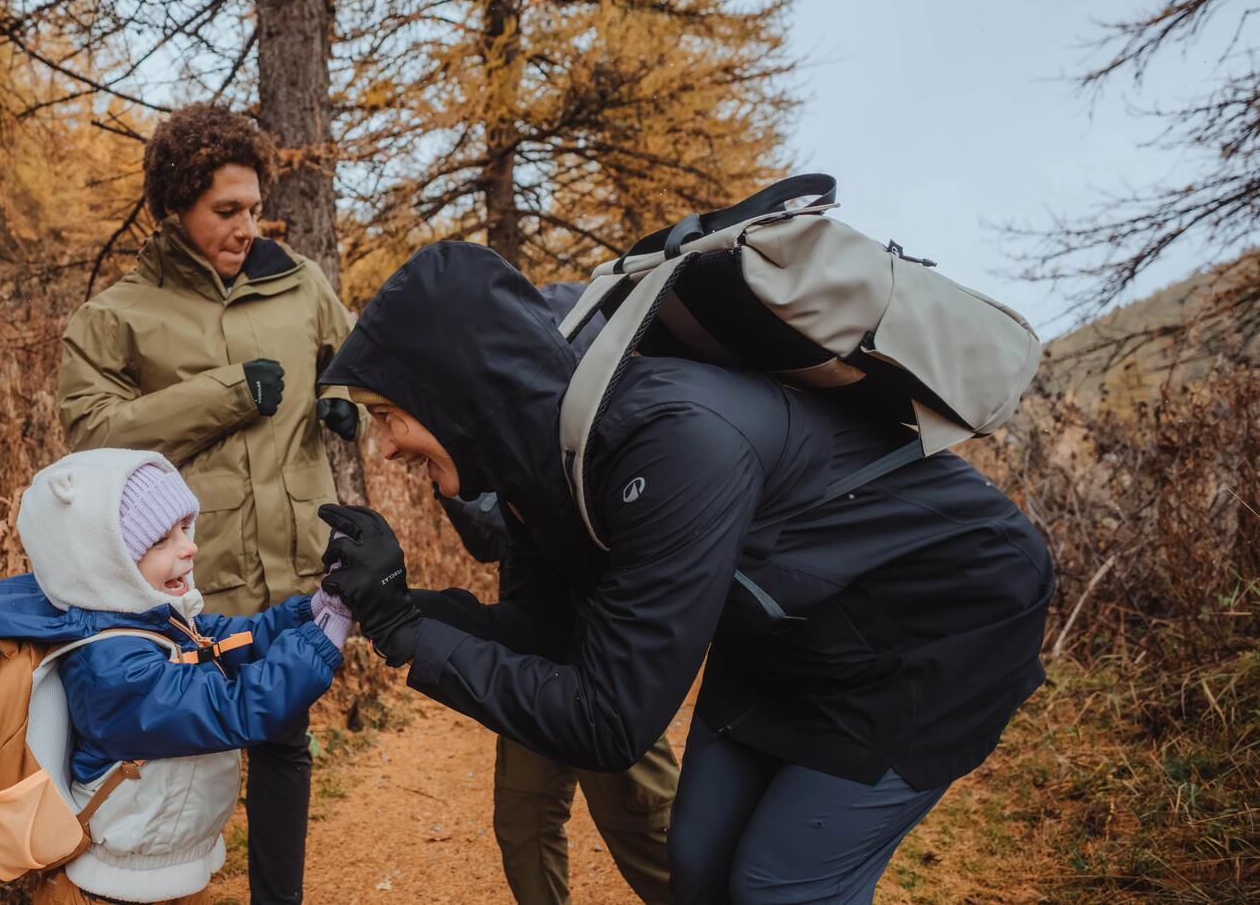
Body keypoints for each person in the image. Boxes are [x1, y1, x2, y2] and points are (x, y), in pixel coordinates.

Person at [316, 243, 1054, 904]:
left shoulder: (670, 442)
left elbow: (609, 723)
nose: (383, 448)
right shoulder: (542, 463)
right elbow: (547, 635)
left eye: (390, 415)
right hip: (789, 631)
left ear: (453, 391)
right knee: (697, 867)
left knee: (779, 887)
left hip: (940, 629)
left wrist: (414, 636)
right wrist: (396, 605)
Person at [59, 103, 358, 904]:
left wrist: (345, 402)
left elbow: (360, 362)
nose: (247, 226)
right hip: (187, 581)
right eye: (226, 211)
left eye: (254, 208)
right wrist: (226, 392)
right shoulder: (117, 315)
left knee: (285, 743)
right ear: (174, 208)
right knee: (175, 755)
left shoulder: (300, 284)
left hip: (293, 559)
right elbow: (90, 440)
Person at [0, 450, 349, 905]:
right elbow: (232, 709)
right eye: (161, 540)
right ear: (106, 565)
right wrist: (322, 639)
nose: (189, 546)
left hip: (164, 880)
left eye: (183, 528)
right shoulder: (112, 668)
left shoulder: (155, 626)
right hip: (109, 893)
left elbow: (238, 640)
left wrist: (314, 610)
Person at [432, 282, 677, 905]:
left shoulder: (612, 418)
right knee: (523, 825)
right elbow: (493, 541)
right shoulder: (495, 423)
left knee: (644, 830)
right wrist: (450, 469)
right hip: (535, 657)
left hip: (606, 666)